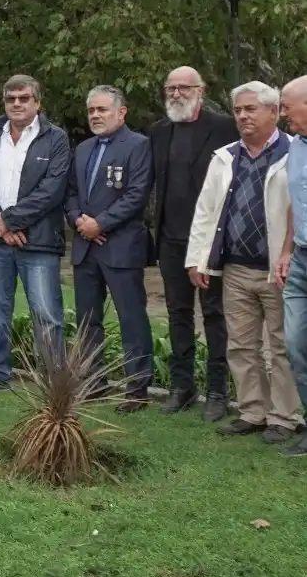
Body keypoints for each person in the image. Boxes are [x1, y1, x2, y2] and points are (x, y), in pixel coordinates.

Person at [186, 81, 299, 443]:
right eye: (238, 110)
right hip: (234, 268)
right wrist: (197, 259)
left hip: (279, 270)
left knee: (282, 346)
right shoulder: (225, 157)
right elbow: (205, 212)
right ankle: (252, 411)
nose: (242, 116)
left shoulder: (295, 153)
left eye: (251, 109)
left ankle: (284, 417)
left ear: (273, 112)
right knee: (241, 344)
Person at [0, 75, 71, 392]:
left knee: (47, 313)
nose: (17, 104)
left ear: (37, 103)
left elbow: (52, 189)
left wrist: (11, 220)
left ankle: (54, 380)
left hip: (37, 239)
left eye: (24, 98)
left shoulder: (55, 139)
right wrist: (0, 225)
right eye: (11, 98)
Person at [149, 67, 238, 420]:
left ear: (201, 90)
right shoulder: (159, 131)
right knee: (178, 314)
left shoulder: (224, 127)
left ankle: (218, 391)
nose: (176, 93)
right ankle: (182, 387)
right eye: (170, 87)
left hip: (211, 240)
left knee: (215, 315)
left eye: (183, 87)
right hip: (171, 239)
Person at [64, 86, 154, 411]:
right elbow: (71, 192)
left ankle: (137, 389)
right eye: (92, 111)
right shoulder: (84, 148)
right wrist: (79, 222)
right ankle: (94, 382)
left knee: (131, 319)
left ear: (121, 112)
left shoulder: (138, 145)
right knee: (88, 321)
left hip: (120, 247)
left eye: (102, 110)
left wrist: (99, 223)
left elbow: (136, 194)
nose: (96, 116)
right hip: (85, 248)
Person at [273, 76, 307, 456]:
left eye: (286, 107)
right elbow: (297, 203)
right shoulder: (296, 147)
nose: (283, 115)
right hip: (300, 258)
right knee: (297, 345)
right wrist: (286, 251)